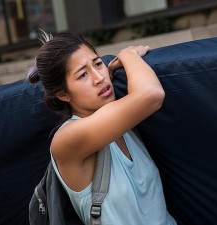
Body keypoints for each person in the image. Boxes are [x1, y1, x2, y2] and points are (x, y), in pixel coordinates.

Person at [28, 30, 177, 225]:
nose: (99, 77)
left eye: (98, 64)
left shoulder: (124, 121)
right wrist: (128, 54)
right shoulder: (67, 139)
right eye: (83, 75)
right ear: (64, 94)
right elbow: (151, 94)